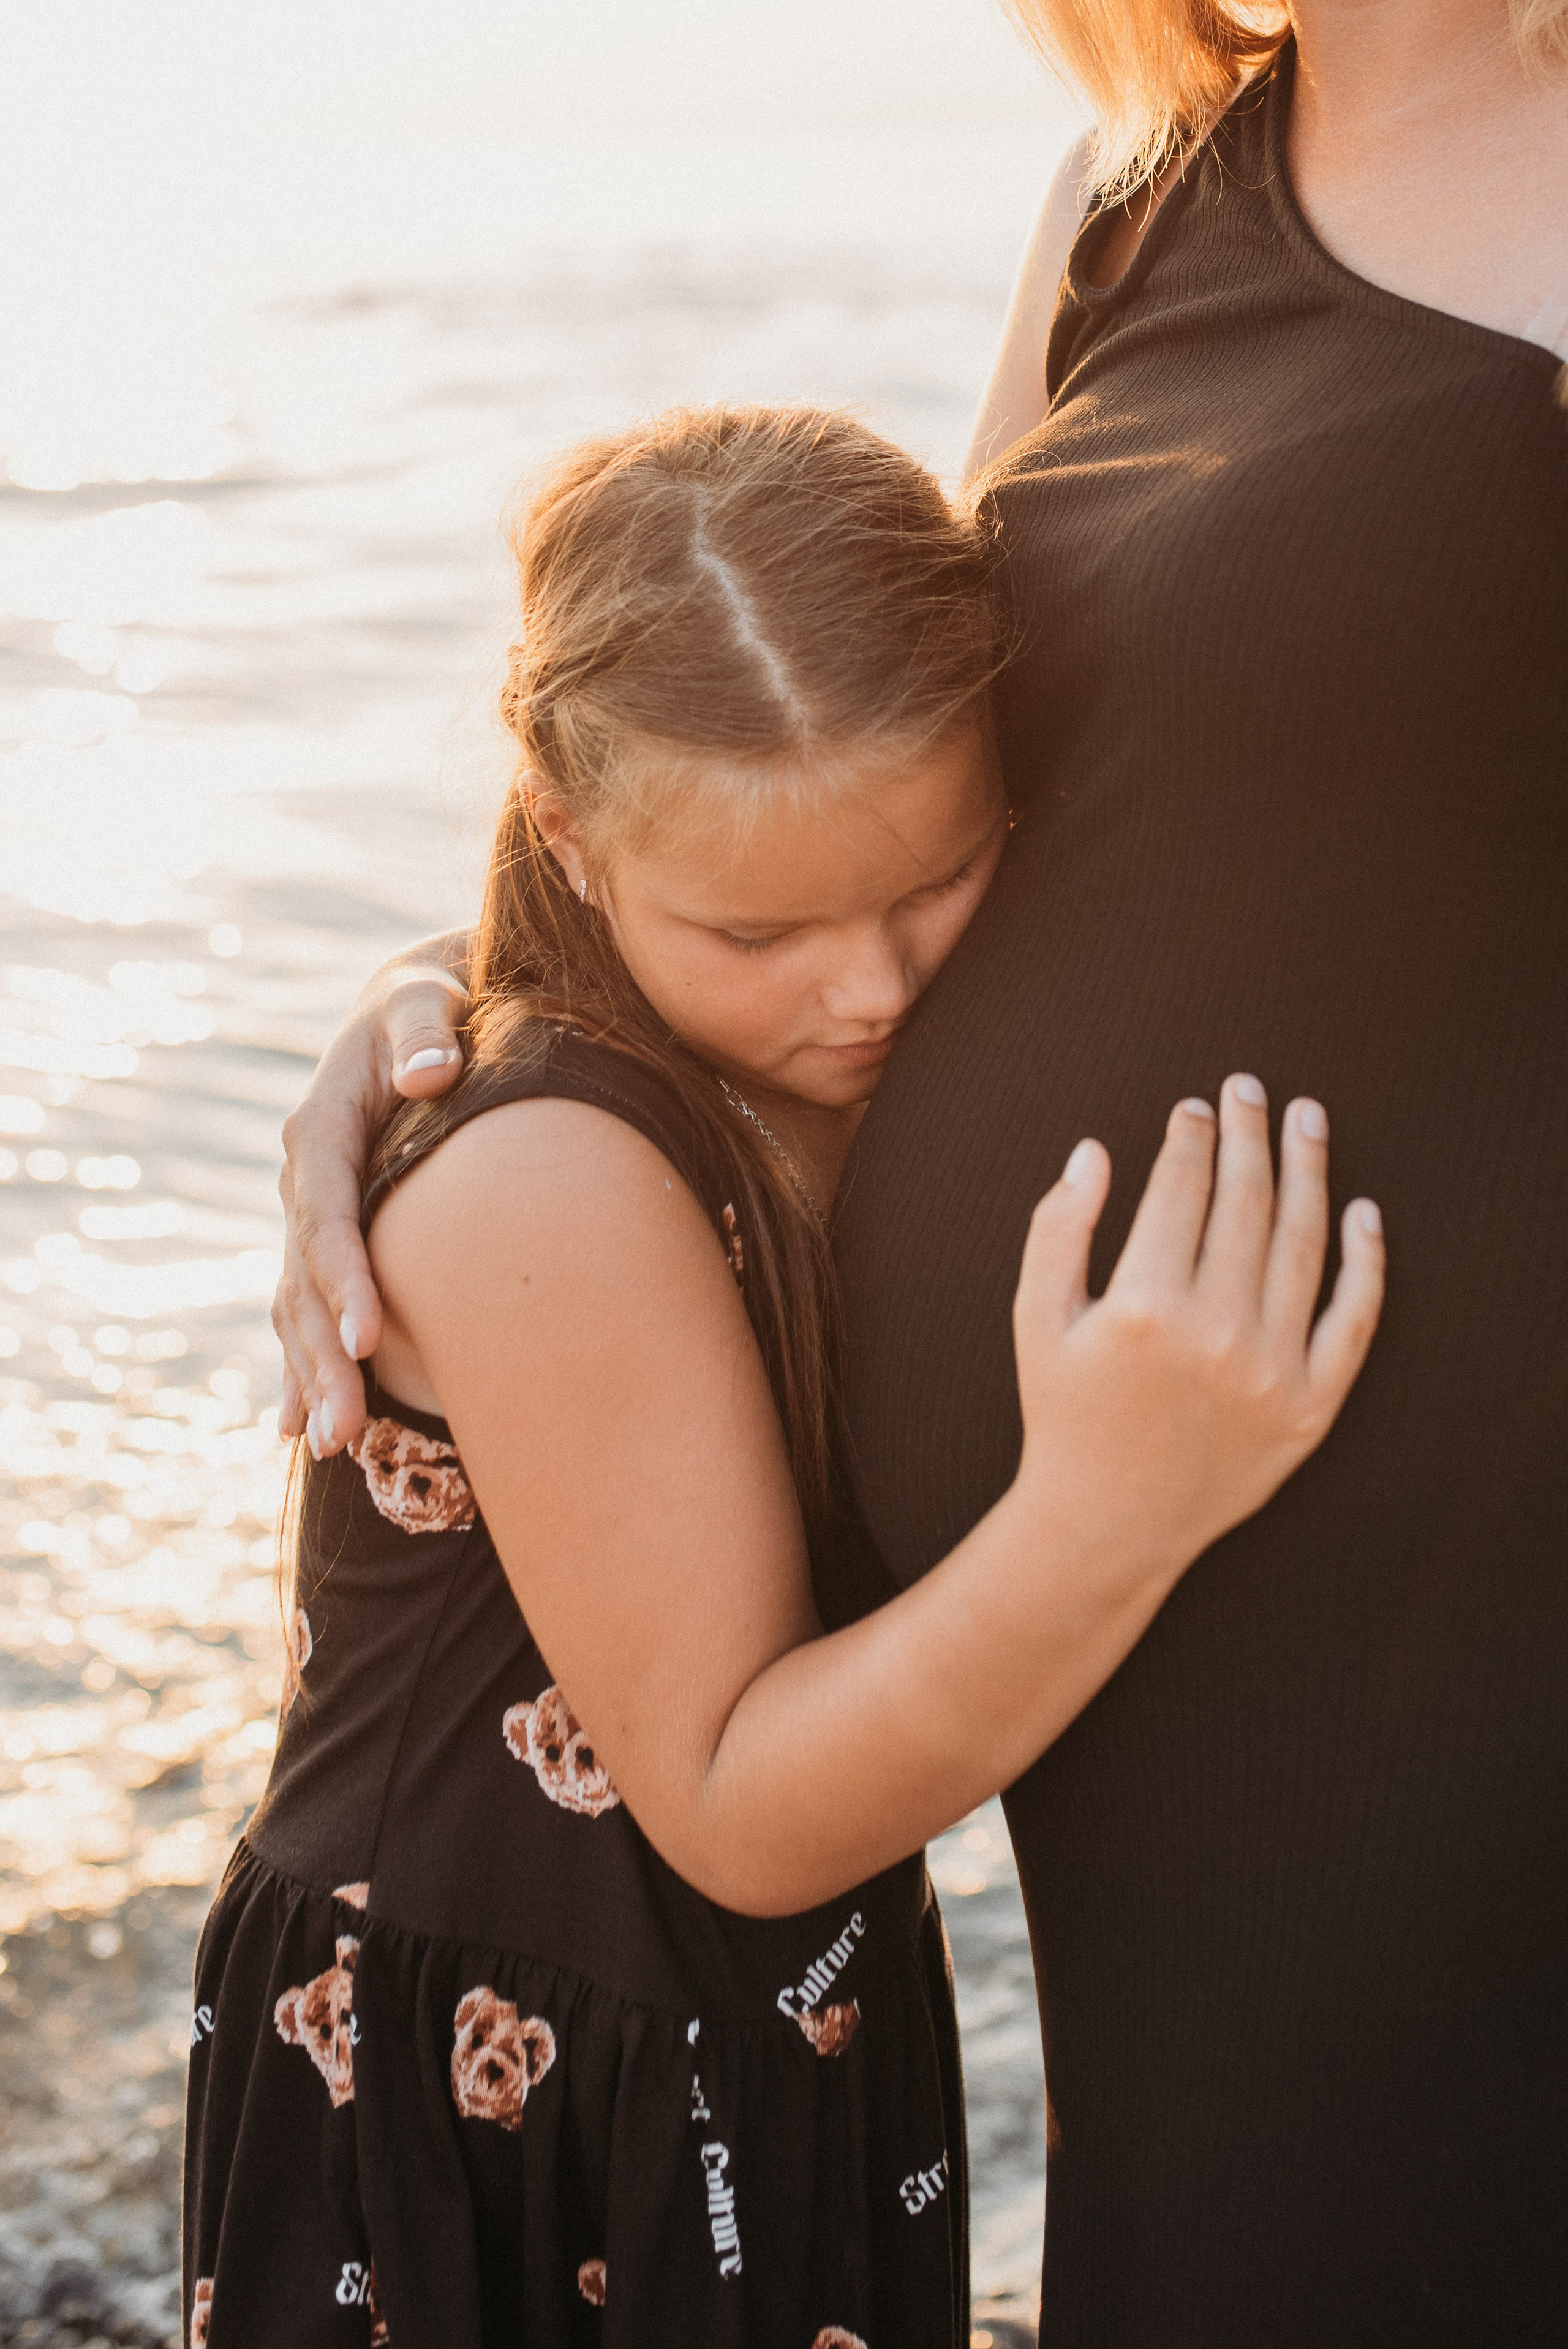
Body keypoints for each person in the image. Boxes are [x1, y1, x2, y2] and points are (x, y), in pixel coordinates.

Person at [275, 0, 1568, 2334]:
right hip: (1078, 1692)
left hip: (1442, 1648)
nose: (858, 980)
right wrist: (440, 1019)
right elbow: (847, 764)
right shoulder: (1137, 187)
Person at [192, 405, 1379, 2349]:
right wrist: (1119, 1503)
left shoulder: (807, 1012)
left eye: (939, 881)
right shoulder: (552, 1178)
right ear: (569, 831)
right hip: (509, 2101)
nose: (876, 991)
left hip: (751, 2027)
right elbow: (737, 1795)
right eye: (760, 930)